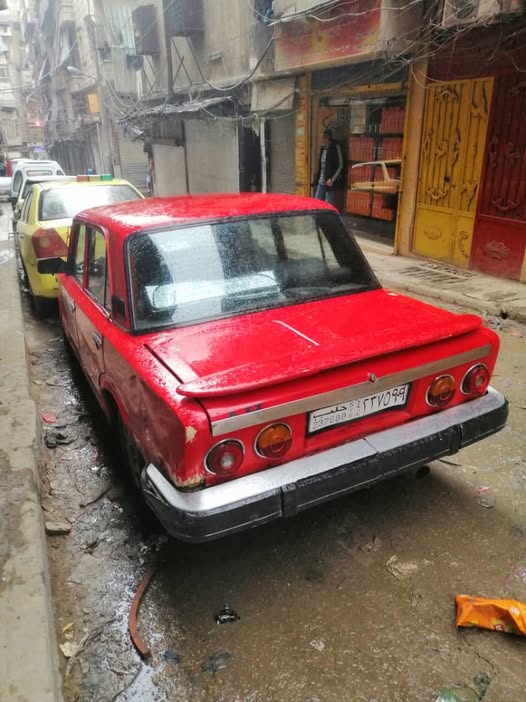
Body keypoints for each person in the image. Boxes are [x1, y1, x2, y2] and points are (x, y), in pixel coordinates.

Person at [313, 128, 343, 206]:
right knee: (316, 203)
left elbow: (340, 166)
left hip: (330, 182)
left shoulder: (336, 147)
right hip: (321, 181)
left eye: (324, 138)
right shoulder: (323, 148)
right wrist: (317, 178)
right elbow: (321, 166)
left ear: (328, 138)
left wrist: (332, 179)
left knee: (329, 204)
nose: (323, 140)